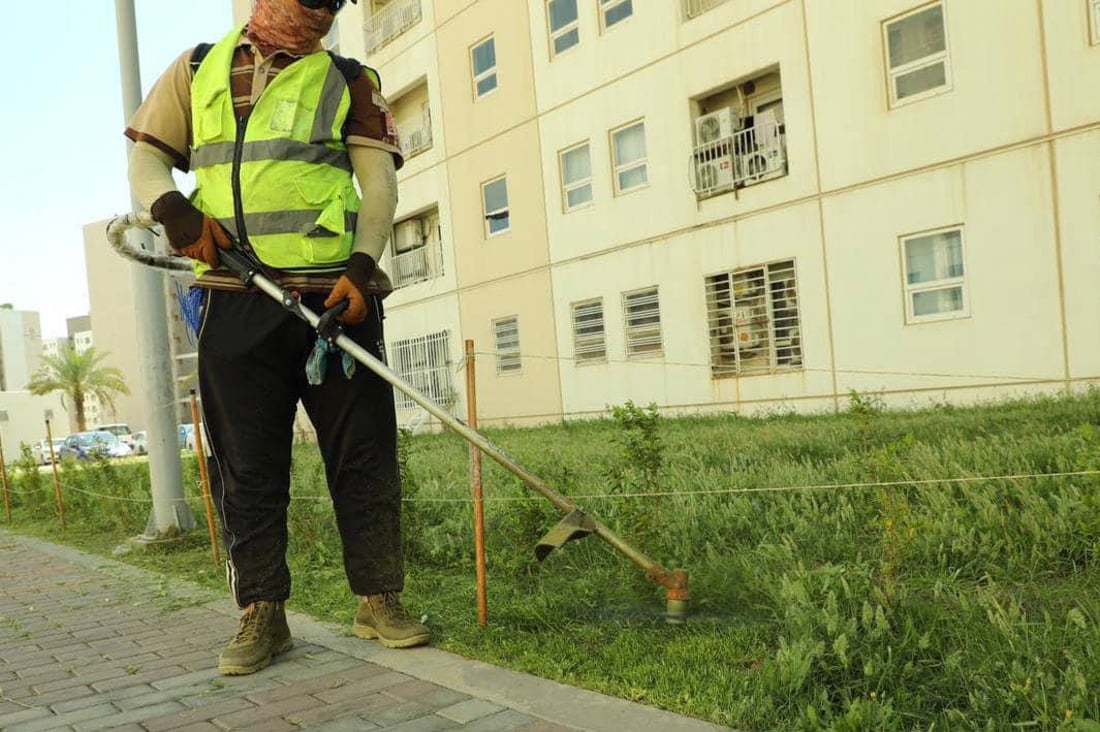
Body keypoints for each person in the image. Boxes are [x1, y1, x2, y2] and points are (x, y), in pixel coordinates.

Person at [124, 0, 430, 676]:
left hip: (335, 297)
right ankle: (262, 612)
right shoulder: (196, 69)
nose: (318, 8)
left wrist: (363, 262)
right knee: (247, 467)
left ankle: (379, 598)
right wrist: (172, 208)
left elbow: (378, 185)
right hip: (235, 297)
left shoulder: (348, 79)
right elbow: (146, 160)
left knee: (364, 453)